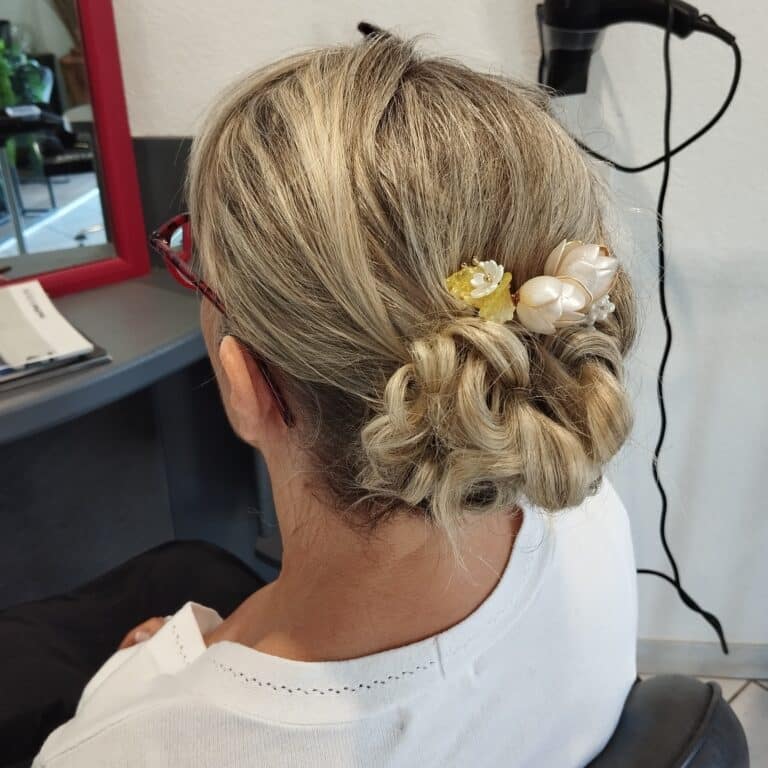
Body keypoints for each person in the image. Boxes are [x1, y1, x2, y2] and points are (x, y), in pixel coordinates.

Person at [33, 33, 638, 767]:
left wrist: (148, 679)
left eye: (197, 266)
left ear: (245, 384)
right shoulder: (588, 518)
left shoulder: (126, 748)